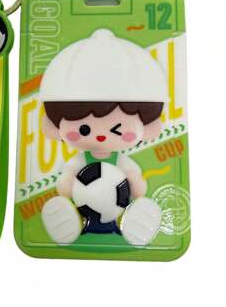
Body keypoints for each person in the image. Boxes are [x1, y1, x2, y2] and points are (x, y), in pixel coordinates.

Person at [39, 29, 167, 246]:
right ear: (53, 126)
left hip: (117, 209)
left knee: (134, 208)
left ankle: (133, 223)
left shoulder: (122, 162)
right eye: (85, 130)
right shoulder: (81, 161)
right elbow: (66, 181)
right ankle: (70, 223)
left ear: (148, 127)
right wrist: (68, 183)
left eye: (117, 129)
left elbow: (136, 183)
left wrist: (135, 184)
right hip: (83, 205)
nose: (99, 137)